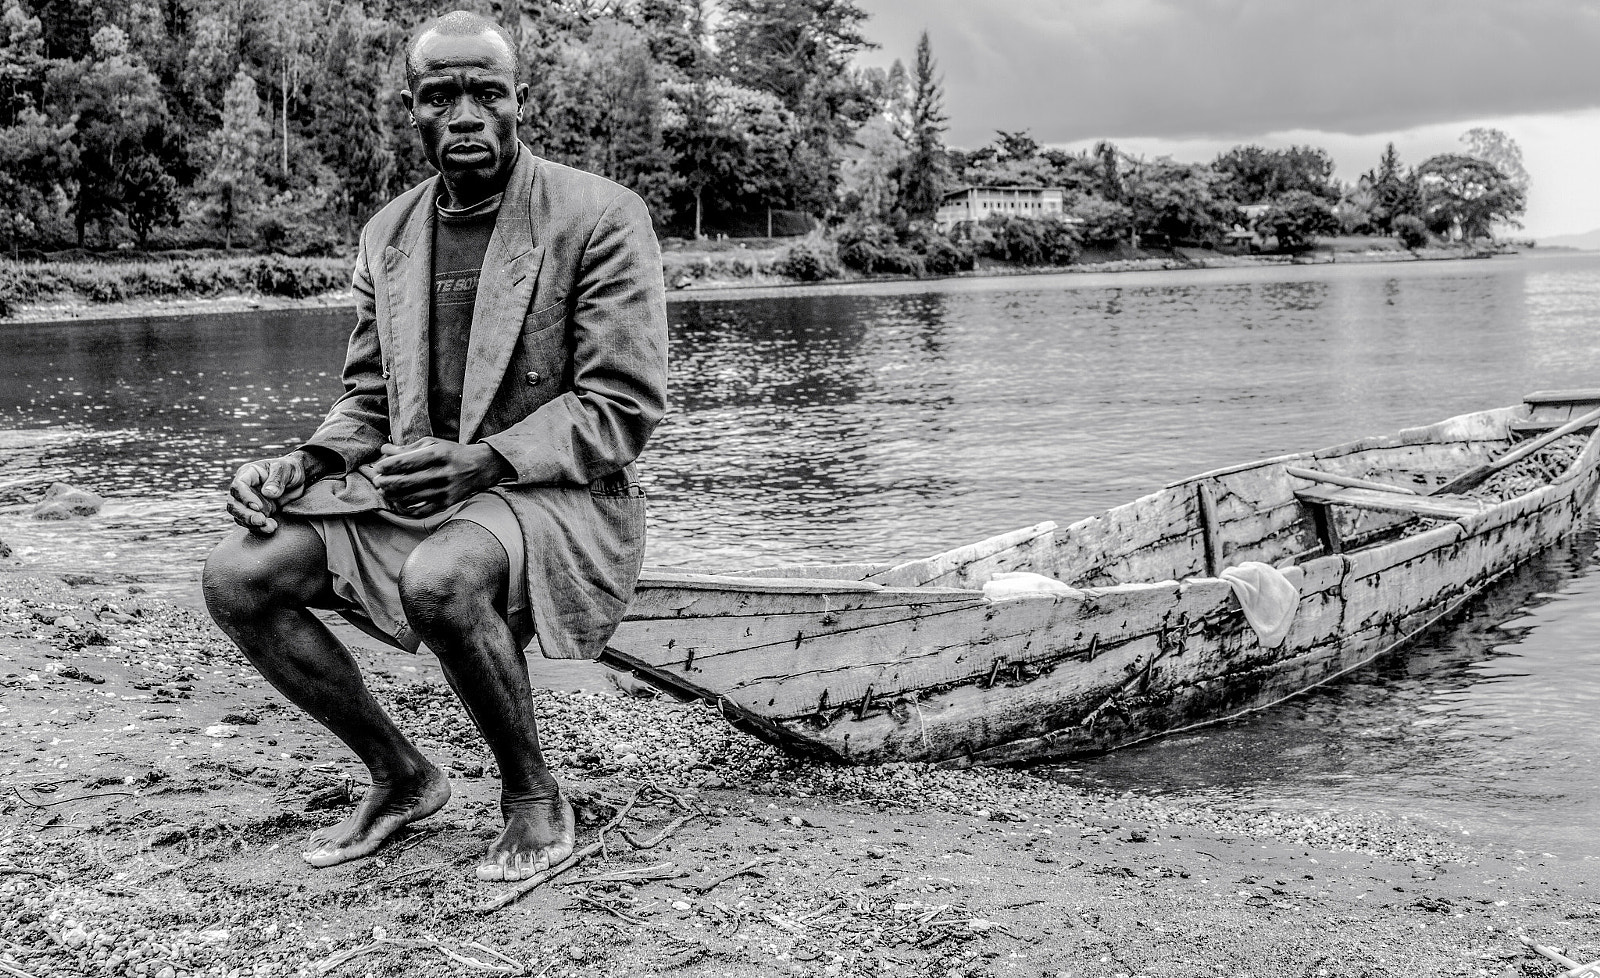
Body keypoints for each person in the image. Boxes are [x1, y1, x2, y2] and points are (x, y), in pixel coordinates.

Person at [200, 10, 668, 882]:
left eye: (486, 93)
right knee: (238, 574)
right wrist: (305, 461)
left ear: (519, 102)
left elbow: (623, 406)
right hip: (428, 493)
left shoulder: (600, 216)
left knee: (441, 577)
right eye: (442, 95)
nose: (466, 114)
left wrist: (486, 460)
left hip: (561, 495)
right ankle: (401, 774)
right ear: (411, 108)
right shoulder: (388, 234)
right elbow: (369, 400)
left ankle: (533, 794)